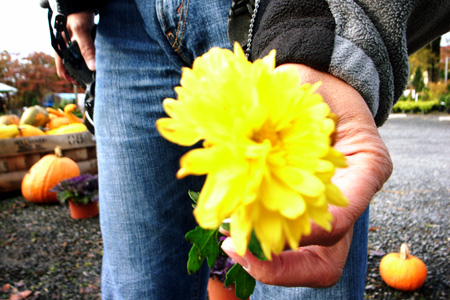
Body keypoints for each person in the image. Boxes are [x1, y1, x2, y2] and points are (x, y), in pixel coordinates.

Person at [40, 0, 450, 299]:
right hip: (122, 22)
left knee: (298, 281)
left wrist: (333, 32)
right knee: (137, 287)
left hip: (271, 14)